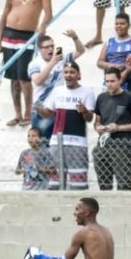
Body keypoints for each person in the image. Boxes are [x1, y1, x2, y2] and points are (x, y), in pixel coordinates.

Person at [0, 0, 52, 127]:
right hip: (9, 36)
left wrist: (42, 26)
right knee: (13, 78)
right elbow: (4, 15)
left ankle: (28, 114)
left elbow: (49, 12)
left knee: (24, 77)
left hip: (27, 36)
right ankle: (17, 114)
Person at [34, 62, 95, 190]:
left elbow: (89, 119)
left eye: (72, 72)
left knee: (78, 185)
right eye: (66, 72)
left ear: (79, 75)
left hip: (78, 144)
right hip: (56, 143)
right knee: (54, 183)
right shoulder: (57, 91)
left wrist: (84, 111)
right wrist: (38, 107)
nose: (68, 75)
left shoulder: (87, 92)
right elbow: (47, 113)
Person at [29, 30, 86, 141]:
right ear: (40, 49)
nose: (51, 49)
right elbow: (38, 81)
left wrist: (75, 37)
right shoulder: (35, 63)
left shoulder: (61, 59)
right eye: (47, 47)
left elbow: (80, 51)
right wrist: (53, 63)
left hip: (58, 107)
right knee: (41, 144)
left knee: (58, 143)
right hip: (41, 108)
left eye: (52, 46)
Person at [93, 68, 131, 191]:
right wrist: (99, 128)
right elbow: (97, 121)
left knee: (124, 183)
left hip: (123, 145)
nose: (109, 84)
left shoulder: (129, 97)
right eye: (107, 81)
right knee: (103, 184)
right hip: (103, 144)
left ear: (120, 80)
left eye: (112, 81)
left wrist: (118, 127)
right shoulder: (101, 97)